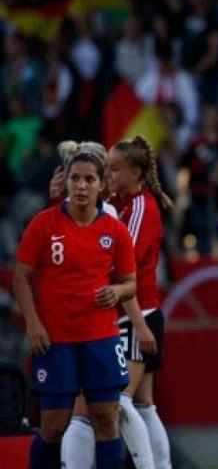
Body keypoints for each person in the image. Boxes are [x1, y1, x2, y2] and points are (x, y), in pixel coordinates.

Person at [13, 151, 138, 469]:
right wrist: (33, 323)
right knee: (53, 425)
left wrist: (117, 291)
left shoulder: (116, 231)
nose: (81, 186)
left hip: (101, 338)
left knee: (107, 421)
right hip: (55, 341)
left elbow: (130, 283)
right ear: (66, 182)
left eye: (89, 179)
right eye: (75, 178)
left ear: (101, 186)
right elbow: (21, 277)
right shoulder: (44, 224)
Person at [107, 137, 174, 469]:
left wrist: (138, 323)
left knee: (120, 400)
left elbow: (124, 268)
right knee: (145, 404)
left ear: (135, 172)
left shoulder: (140, 208)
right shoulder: (119, 202)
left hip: (138, 314)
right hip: (137, 314)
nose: (109, 174)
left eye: (115, 169)